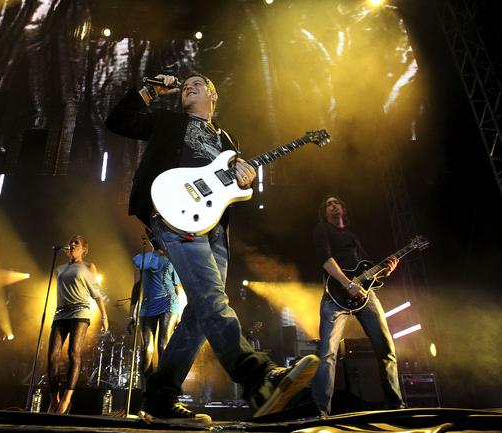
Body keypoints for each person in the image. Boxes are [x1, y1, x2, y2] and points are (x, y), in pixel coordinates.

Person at [106, 73, 319, 426]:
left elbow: (234, 184)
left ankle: (160, 398)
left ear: (213, 95)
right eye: (185, 84)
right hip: (173, 212)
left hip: (215, 225)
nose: (189, 86)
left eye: (198, 83)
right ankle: (258, 378)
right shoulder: (169, 122)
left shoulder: (227, 139)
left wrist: (246, 178)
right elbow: (118, 121)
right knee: (211, 299)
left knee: (199, 313)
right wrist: (151, 90)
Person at [311, 195, 405, 417]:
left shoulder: (353, 235)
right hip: (335, 295)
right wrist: (347, 284)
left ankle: (397, 407)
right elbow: (325, 259)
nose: (333, 205)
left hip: (365, 294)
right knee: (327, 354)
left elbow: (367, 270)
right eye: (328, 204)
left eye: (336, 202)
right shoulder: (322, 229)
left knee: (386, 349)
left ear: (343, 208)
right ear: (324, 212)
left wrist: (385, 271)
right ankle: (321, 412)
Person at [47, 235, 109, 414]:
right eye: (71, 242)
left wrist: (104, 316)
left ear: (84, 249)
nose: (72, 244)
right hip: (60, 313)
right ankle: (54, 399)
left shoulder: (89, 267)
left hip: (80, 312)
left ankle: (67, 398)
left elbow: (97, 292)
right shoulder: (59, 269)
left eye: (77, 243)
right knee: (52, 356)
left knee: (73, 352)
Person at [127, 236, 182, 385]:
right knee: (146, 349)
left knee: (163, 345)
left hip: (168, 303)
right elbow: (136, 286)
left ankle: (163, 388)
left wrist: (179, 315)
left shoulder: (172, 259)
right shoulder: (141, 258)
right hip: (147, 305)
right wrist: (131, 314)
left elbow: (177, 288)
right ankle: (146, 390)